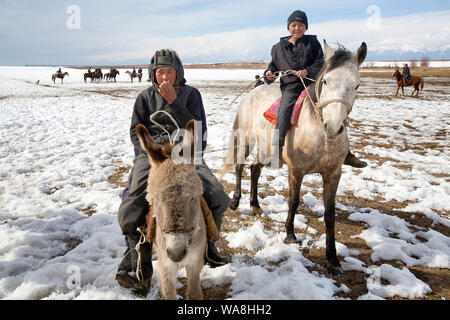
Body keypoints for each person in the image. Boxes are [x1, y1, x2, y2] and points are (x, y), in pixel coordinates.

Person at [115, 49, 230, 297]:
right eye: (160, 72)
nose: (164, 77)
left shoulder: (191, 95)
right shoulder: (144, 97)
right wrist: (154, 150)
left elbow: (198, 131)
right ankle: (137, 256)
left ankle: (208, 244)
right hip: (154, 157)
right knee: (134, 199)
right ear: (153, 74)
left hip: (186, 155)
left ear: (178, 73)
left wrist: (174, 103)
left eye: (169, 71)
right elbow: (136, 133)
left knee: (217, 194)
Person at [264, 10, 366, 168]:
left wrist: (307, 71)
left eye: (301, 25)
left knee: (335, 109)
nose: (297, 28)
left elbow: (321, 63)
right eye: (293, 25)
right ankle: (276, 152)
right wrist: (268, 74)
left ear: (306, 28)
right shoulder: (277, 48)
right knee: (283, 112)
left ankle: (347, 153)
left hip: (312, 84)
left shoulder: (312, 43)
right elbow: (273, 66)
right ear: (288, 27)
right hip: (291, 87)